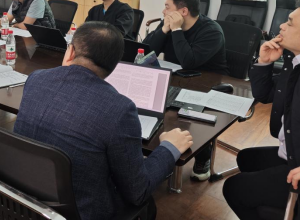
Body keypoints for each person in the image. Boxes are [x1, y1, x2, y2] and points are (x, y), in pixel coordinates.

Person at [14, 22, 193, 220]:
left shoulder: (36, 79)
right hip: (79, 213)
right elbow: (138, 191)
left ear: (71, 51)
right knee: (147, 203)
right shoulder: (120, 108)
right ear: (114, 66)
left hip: (22, 202)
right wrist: (169, 147)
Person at [223, 0, 300, 220]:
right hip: (293, 152)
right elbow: (265, 94)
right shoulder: (296, 62)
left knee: (234, 189)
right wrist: (264, 61)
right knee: (246, 159)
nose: (281, 26)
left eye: (290, 23)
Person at [143, 0, 229, 182]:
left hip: (207, 83)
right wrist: (164, 30)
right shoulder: (168, 22)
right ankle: (161, 152)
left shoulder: (211, 31)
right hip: (179, 78)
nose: (163, 11)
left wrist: (175, 30)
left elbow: (189, 61)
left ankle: (203, 155)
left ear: (183, 11)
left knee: (188, 115)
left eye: (167, 7)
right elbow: (147, 52)